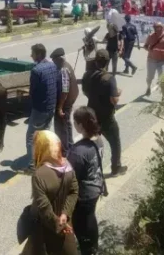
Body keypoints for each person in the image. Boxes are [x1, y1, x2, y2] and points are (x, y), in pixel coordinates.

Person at [21, 131, 78, 255]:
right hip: (65, 223)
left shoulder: (39, 175)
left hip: (46, 227)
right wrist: (65, 214)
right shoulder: (68, 166)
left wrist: (58, 224)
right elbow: (73, 192)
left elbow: (43, 207)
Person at [67, 107, 106, 255]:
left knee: (81, 224)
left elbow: (71, 177)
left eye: (75, 122)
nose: (74, 125)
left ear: (81, 125)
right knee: (90, 217)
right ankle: (93, 246)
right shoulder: (98, 139)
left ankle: (88, 250)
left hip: (83, 195)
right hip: (96, 187)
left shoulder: (79, 151)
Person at [81, 50, 127, 177]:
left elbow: (85, 92)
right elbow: (114, 100)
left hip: (92, 114)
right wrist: (118, 92)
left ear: (95, 61)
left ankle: (88, 169)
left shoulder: (87, 75)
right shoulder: (109, 78)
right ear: (108, 61)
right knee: (115, 142)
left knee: (91, 143)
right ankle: (116, 168)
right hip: (106, 118)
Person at [24, 44, 59, 173]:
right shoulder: (52, 65)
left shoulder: (36, 70)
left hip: (40, 109)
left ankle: (33, 166)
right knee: (44, 135)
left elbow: (32, 92)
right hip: (51, 107)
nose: (31, 55)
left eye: (32, 53)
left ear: (38, 54)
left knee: (31, 137)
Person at [51, 48, 78, 156]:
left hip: (65, 102)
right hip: (70, 100)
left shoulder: (63, 69)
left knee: (62, 127)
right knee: (67, 123)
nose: (53, 62)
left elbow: (65, 90)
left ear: (59, 59)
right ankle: (71, 145)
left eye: (54, 60)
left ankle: (65, 151)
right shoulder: (67, 65)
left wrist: (60, 107)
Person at [144, 22, 164, 97]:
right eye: (155, 27)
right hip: (151, 60)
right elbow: (145, 46)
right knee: (149, 77)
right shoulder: (151, 36)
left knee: (162, 79)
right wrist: (149, 49)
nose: (157, 29)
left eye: (159, 27)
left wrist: (160, 51)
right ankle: (148, 87)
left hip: (161, 61)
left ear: (162, 28)